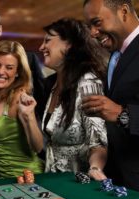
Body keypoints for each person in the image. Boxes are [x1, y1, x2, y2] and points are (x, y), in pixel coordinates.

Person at [82, 0, 139, 195]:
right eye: (89, 26)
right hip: (119, 179)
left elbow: (122, 113)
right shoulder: (116, 54)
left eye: (97, 23)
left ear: (123, 12)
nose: (92, 33)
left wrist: (123, 114)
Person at [38, 18, 108, 181]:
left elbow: (98, 142)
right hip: (53, 183)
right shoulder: (52, 84)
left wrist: (95, 168)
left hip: (78, 185)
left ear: (69, 45)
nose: (42, 47)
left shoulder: (88, 82)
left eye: (48, 40)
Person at [0, 40, 44, 178]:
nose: (1, 72)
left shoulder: (19, 98)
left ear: (18, 72)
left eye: (9, 67)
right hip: (0, 180)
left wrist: (29, 116)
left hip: (27, 178)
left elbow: (38, 147)